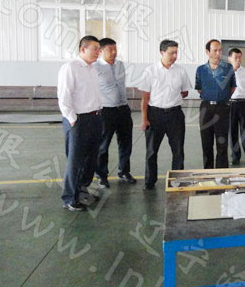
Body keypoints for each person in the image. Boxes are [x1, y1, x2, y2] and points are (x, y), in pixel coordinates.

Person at [57, 36, 103, 211]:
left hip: (95, 118)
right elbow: (64, 97)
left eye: (99, 49)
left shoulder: (92, 69)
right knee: (75, 160)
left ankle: (82, 190)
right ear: (83, 49)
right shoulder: (70, 68)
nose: (98, 52)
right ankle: (69, 198)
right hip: (78, 120)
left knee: (91, 158)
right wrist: (72, 120)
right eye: (95, 48)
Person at [139, 40, 192, 190]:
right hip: (155, 114)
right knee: (151, 150)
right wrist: (144, 119)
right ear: (162, 53)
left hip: (175, 115)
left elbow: (185, 91)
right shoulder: (150, 71)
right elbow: (145, 98)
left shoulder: (180, 71)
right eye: (171, 53)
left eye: (176, 53)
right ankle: (150, 181)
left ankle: (177, 180)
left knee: (178, 150)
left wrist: (172, 96)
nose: (174, 56)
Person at [93, 38, 136, 188]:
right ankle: (101, 175)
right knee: (103, 145)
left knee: (126, 142)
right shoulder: (95, 67)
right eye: (110, 50)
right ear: (101, 51)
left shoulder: (120, 65)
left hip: (123, 109)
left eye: (115, 49)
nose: (114, 52)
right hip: (105, 110)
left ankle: (124, 171)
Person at [195, 39, 236, 169]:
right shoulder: (201, 70)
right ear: (207, 52)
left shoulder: (228, 68)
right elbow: (199, 88)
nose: (218, 53)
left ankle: (221, 173)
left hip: (222, 108)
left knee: (222, 143)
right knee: (206, 142)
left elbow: (233, 87)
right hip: (206, 108)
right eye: (215, 51)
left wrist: (222, 98)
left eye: (220, 50)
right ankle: (208, 172)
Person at [227, 48, 245, 167]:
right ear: (229, 58)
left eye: (240, 57)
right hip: (230, 104)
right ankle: (235, 157)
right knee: (232, 133)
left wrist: (243, 98)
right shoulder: (225, 73)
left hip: (243, 104)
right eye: (236, 57)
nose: (238, 60)